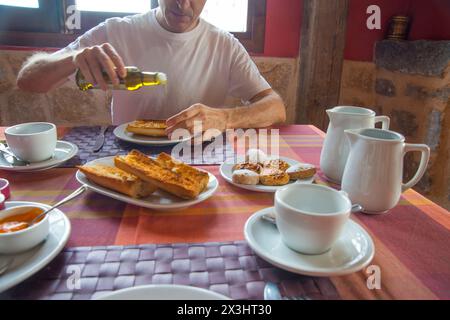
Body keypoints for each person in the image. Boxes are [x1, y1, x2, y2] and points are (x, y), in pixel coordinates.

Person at [17, 0, 286, 136]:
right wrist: (73, 59)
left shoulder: (224, 44)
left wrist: (226, 119)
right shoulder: (117, 31)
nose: (182, 4)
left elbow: (275, 107)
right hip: (127, 155)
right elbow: (27, 80)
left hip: (196, 157)